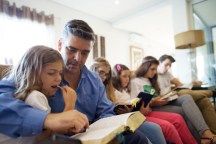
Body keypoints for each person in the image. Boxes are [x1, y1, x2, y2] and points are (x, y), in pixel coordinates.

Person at [0, 19, 149, 144]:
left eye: (85, 53)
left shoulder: (95, 80)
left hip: (92, 135)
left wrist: (107, 131)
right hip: (57, 138)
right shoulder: (38, 70)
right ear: (60, 45)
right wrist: (48, 119)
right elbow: (2, 99)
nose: (78, 58)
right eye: (71, 49)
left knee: (140, 137)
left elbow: (106, 111)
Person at [0, 45, 78, 143]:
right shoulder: (36, 96)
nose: (59, 78)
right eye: (51, 73)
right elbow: (47, 138)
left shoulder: (28, 93)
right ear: (32, 74)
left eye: (60, 73)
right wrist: (69, 106)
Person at [130, 56, 216, 144]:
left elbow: (156, 94)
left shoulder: (151, 79)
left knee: (187, 97)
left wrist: (161, 98)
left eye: (155, 69)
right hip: (152, 107)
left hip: (160, 102)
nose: (155, 72)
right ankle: (200, 139)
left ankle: (205, 133)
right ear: (145, 67)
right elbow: (135, 102)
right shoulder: (135, 81)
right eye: (152, 69)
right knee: (182, 111)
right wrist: (153, 102)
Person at [111, 63, 197, 144]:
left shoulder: (126, 89)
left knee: (178, 117)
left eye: (128, 76)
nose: (127, 79)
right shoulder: (115, 92)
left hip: (141, 112)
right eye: (124, 76)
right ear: (116, 77)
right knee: (168, 126)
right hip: (134, 116)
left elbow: (135, 100)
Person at [90, 57, 167, 144]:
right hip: (115, 122)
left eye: (107, 74)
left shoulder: (111, 90)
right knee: (149, 133)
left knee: (155, 129)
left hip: (127, 118)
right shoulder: (94, 89)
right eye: (101, 72)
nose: (104, 77)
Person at [157, 54, 216, 134]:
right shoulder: (153, 75)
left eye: (170, 65)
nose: (168, 68)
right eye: (166, 65)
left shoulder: (168, 74)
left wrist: (191, 83)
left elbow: (180, 85)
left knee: (204, 101)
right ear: (159, 62)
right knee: (185, 93)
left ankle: (213, 133)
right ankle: (211, 92)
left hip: (173, 95)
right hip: (166, 99)